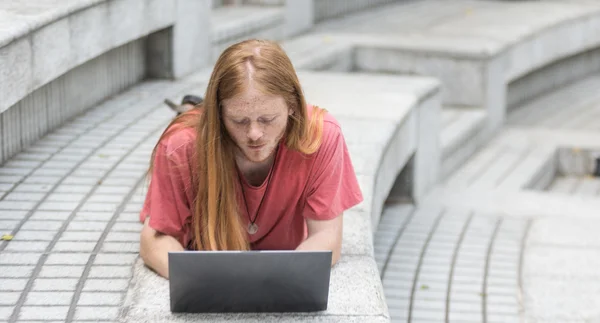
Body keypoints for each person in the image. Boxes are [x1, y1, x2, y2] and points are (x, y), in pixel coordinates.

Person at [138, 39, 364, 279]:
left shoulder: (321, 135)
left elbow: (326, 236)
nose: (255, 134)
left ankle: (198, 109)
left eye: (267, 119)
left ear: (292, 106)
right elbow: (155, 240)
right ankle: (192, 111)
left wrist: (282, 279)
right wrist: (206, 281)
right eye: (239, 120)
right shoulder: (180, 147)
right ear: (219, 113)